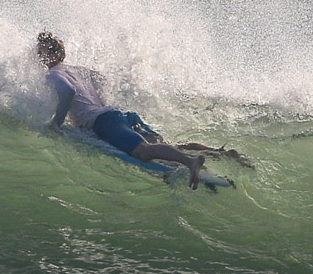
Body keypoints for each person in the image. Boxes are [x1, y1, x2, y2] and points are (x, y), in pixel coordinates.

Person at [36, 32, 205, 188]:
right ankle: (221, 153)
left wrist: (56, 123)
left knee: (144, 152)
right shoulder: (78, 69)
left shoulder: (53, 74)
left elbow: (68, 91)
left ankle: (191, 162)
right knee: (163, 145)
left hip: (105, 122)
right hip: (119, 115)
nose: (39, 57)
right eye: (38, 52)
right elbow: (101, 80)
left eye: (43, 52)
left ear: (56, 54)